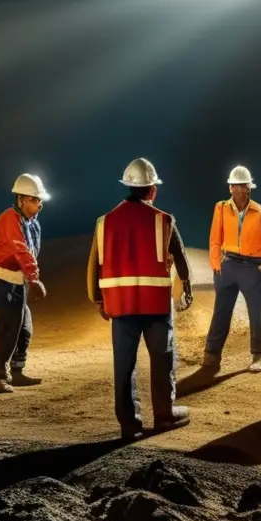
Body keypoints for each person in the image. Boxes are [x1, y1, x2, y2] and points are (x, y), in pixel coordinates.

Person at [87, 158, 193, 440]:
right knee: (162, 359)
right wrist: (188, 286)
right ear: (152, 190)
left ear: (128, 188)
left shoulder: (104, 223)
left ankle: (129, 423)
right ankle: (164, 415)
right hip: (156, 305)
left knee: (124, 365)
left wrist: (98, 299)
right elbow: (181, 258)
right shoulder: (164, 220)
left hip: (120, 306)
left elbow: (93, 264)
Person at [203, 165, 261, 373]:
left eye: (242, 186)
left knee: (255, 313)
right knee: (221, 313)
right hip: (228, 265)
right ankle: (211, 356)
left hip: (253, 268)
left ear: (249, 188)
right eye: (234, 186)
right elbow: (215, 239)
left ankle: (257, 355)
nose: (237, 190)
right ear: (230, 187)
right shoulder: (221, 208)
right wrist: (216, 266)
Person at [0, 173, 50, 393]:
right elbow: (20, 249)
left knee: (24, 324)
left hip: (14, 277)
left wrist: (30, 277)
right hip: (0, 276)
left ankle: (16, 372)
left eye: (40, 200)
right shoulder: (10, 219)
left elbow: (30, 252)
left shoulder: (31, 223)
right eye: (34, 200)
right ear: (20, 199)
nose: (39, 205)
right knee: (9, 322)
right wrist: (34, 278)